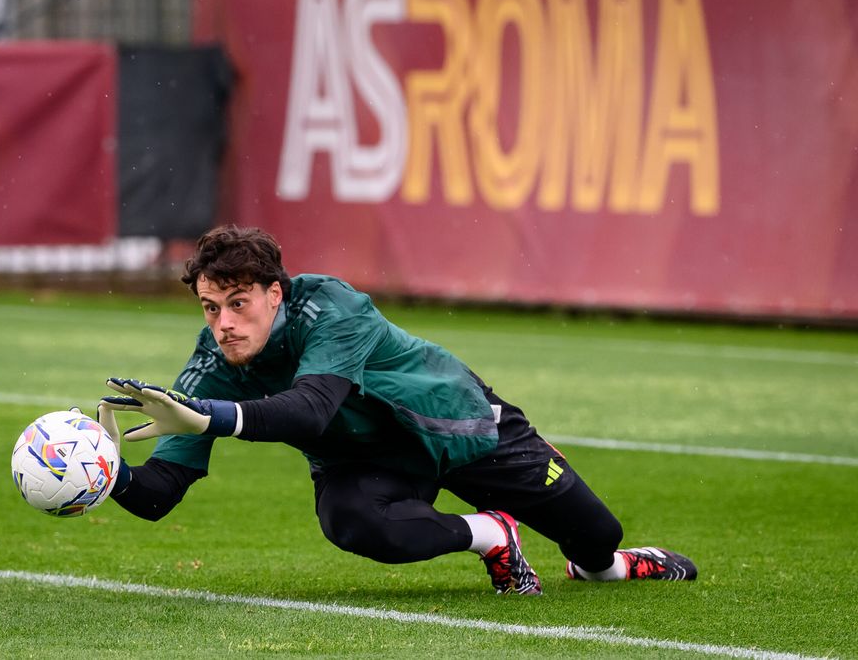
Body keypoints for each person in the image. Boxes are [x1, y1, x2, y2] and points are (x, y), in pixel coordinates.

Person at [94, 225, 696, 594]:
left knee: (596, 538)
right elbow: (157, 495)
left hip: (457, 425)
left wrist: (209, 417)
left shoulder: (330, 306)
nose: (223, 324)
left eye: (238, 303)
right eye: (209, 307)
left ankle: (608, 567)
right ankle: (493, 534)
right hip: (365, 461)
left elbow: (309, 410)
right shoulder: (212, 364)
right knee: (352, 521)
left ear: (274, 294)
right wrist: (102, 473)